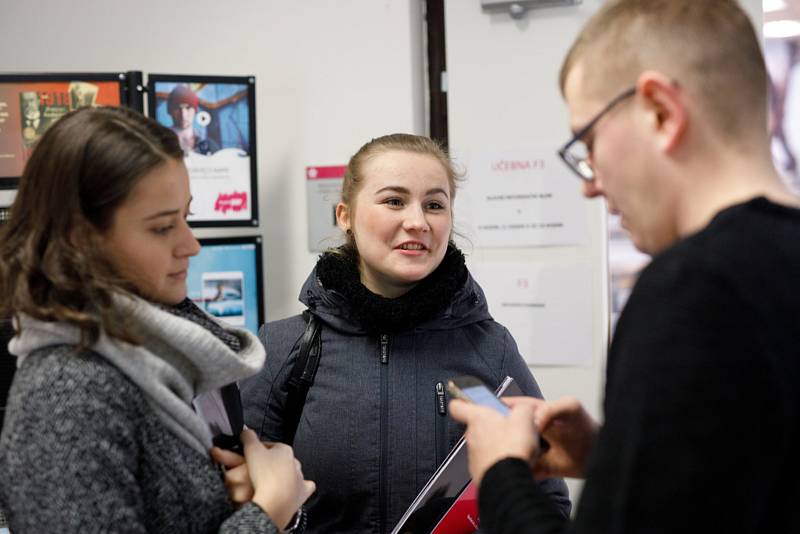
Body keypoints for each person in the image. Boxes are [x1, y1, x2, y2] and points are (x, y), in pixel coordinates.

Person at [449, 1, 800, 533]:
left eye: (587, 142)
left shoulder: (693, 288)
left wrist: (501, 471)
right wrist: (620, 455)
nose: (589, 183)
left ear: (660, 111)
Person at [0, 106, 314, 533]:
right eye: (163, 227)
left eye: (187, 217)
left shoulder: (173, 352)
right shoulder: (67, 391)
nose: (191, 245)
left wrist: (249, 500)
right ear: (81, 239)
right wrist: (270, 511)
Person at [241, 133, 571, 533]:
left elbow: (546, 497)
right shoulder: (285, 348)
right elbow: (241, 501)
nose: (417, 221)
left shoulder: (490, 348)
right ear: (345, 215)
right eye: (394, 201)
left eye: (434, 205)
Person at [167, 84, 219, 156]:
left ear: (195, 111)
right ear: (170, 110)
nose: (183, 114)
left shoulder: (210, 146)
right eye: (177, 108)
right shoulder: (159, 143)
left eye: (188, 108)